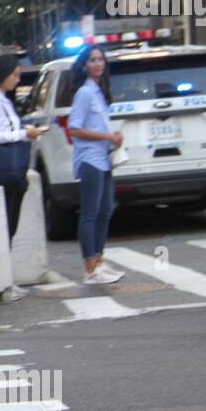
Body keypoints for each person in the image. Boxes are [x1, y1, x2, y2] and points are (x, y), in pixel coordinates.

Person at [0, 54, 44, 302]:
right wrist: (24, 133)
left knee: (11, 227)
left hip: (13, 174)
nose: (17, 79)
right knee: (4, 228)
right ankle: (2, 283)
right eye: (14, 75)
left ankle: (7, 281)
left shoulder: (3, 100)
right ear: (3, 74)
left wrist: (24, 133)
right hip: (0, 172)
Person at [67, 46, 125, 285]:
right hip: (90, 158)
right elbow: (75, 129)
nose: (98, 63)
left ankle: (99, 261)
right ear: (84, 65)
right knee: (90, 213)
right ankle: (90, 267)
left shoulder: (100, 92)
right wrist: (108, 138)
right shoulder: (84, 93)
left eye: (101, 59)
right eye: (92, 60)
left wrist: (112, 138)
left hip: (104, 158)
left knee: (105, 211)